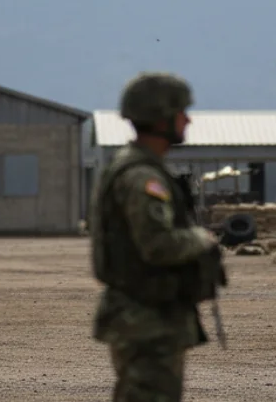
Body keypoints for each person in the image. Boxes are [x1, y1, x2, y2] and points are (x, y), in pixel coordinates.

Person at [89, 71, 227, 402]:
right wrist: (201, 239)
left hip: (150, 318)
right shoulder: (142, 177)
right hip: (146, 322)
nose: (188, 120)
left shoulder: (140, 168)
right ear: (161, 118)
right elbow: (157, 245)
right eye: (182, 113)